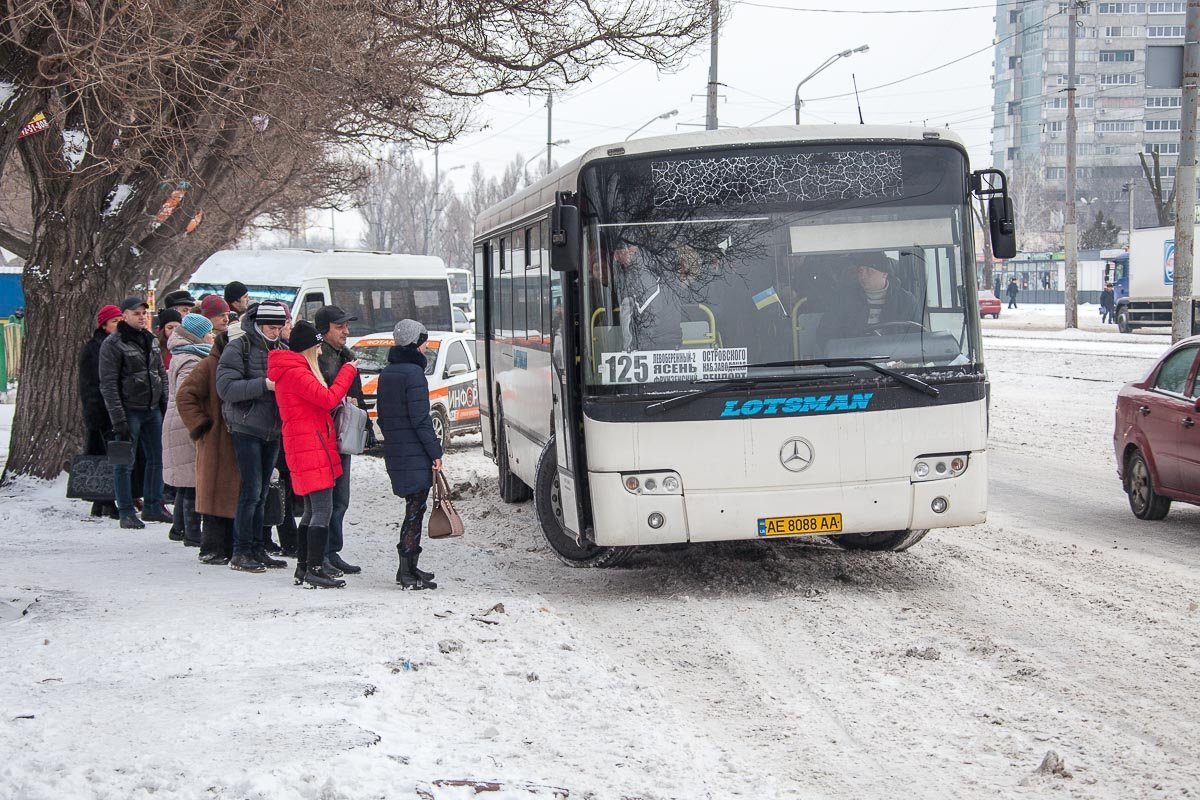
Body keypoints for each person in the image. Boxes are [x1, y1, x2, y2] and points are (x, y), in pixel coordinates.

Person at [267, 320, 357, 589]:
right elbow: (327, 399)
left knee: (310, 510)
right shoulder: (296, 372)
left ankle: (305, 567)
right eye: (317, 347)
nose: (320, 352)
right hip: (310, 447)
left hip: (310, 444)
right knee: (322, 509)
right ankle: (314, 569)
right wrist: (347, 372)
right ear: (307, 348)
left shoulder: (293, 370)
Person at [215, 300, 290, 573]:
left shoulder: (282, 349)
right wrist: (263, 385)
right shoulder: (239, 347)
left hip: (273, 429)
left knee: (261, 492)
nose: (275, 332)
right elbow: (225, 388)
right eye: (271, 327)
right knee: (251, 491)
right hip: (246, 427)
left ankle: (258, 547)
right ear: (259, 325)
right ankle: (241, 551)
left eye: (279, 327)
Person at [378, 319, 443, 590]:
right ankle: (406, 571)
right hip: (414, 452)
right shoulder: (413, 375)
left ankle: (410, 567)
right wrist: (435, 451)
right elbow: (421, 419)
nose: (426, 346)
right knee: (415, 511)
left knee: (413, 509)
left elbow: (383, 417)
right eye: (424, 341)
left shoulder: (388, 373)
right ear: (415, 343)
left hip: (397, 450)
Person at [99, 296, 172, 529]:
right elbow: (108, 384)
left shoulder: (149, 339)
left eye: (143, 313)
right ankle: (126, 510)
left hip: (152, 408)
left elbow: (160, 373)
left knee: (157, 458)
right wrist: (117, 417)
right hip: (129, 409)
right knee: (124, 462)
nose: (141, 316)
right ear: (125, 316)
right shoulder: (114, 343)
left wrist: (164, 401)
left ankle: (153, 505)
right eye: (136, 313)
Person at [314, 304, 376, 576]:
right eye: (340, 327)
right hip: (323, 437)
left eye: (346, 326)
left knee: (341, 499)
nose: (346, 331)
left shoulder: (346, 356)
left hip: (344, 435)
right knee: (324, 503)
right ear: (324, 329)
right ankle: (321, 554)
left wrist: (367, 426)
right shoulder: (318, 358)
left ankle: (333, 550)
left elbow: (357, 397)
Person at [176, 332, 239, 565]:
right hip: (215, 441)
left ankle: (229, 546)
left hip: (233, 439)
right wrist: (202, 425)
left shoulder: (235, 364)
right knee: (214, 495)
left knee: (231, 494)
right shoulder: (208, 365)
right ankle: (211, 547)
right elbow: (185, 396)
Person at [162, 314, 214, 548]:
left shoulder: (183, 354)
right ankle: (192, 532)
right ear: (198, 334)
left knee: (185, 479)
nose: (212, 336)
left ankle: (179, 527)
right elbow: (188, 394)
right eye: (209, 332)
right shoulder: (192, 359)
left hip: (177, 420)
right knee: (193, 480)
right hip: (186, 423)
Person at [816, 251, 922, 346]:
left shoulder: (906, 301)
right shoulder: (843, 300)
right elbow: (825, 335)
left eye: (869, 271)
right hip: (855, 361)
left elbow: (918, 338)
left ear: (884, 273)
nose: (863, 275)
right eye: (860, 271)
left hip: (894, 361)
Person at [78, 304, 122, 519]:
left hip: (114, 410)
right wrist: (95, 414)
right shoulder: (94, 349)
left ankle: (102, 502)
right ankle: (106, 502)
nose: (118, 325)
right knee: (103, 457)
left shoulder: (117, 344)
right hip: (101, 412)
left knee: (112, 456)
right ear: (104, 324)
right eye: (114, 321)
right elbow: (90, 385)